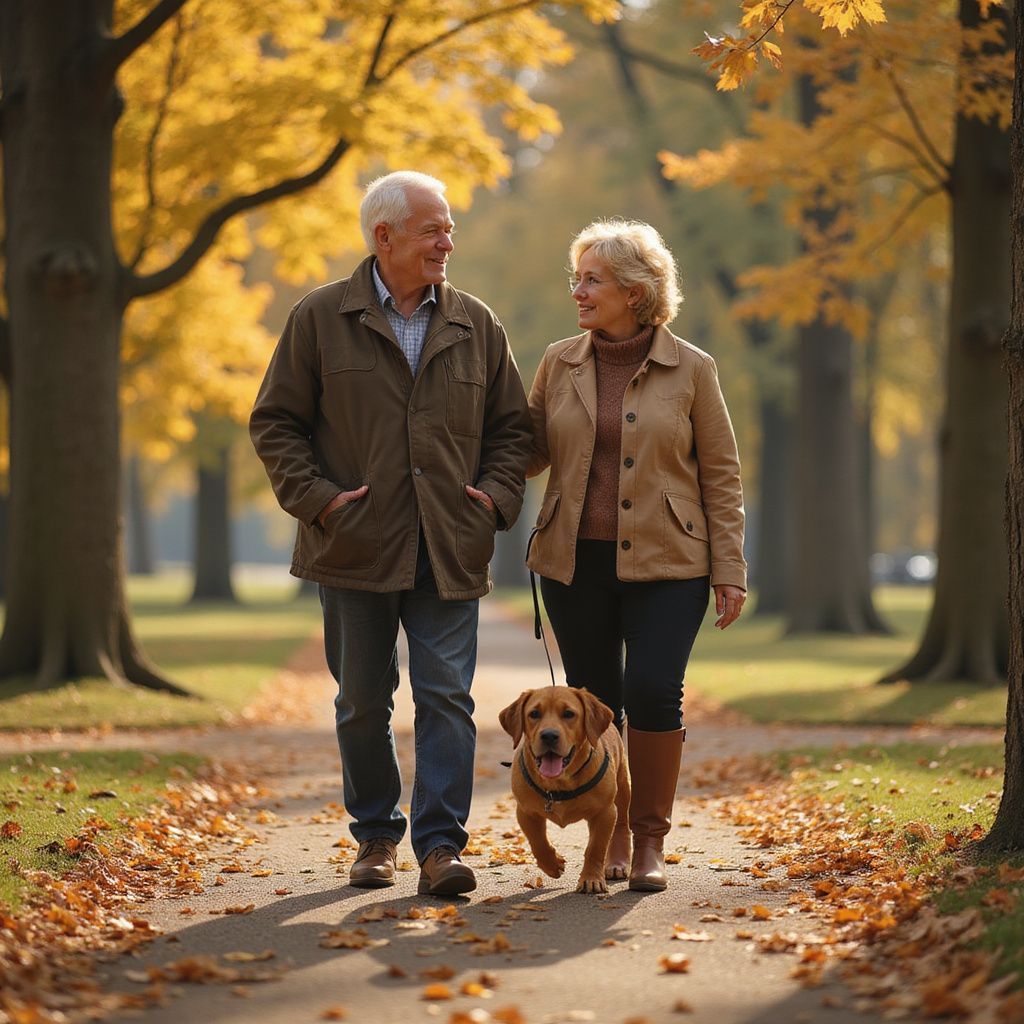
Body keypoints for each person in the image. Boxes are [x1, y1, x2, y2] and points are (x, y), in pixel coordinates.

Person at [250, 171, 532, 896]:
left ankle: (441, 848)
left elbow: (513, 432)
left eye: (449, 229)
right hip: (352, 546)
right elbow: (274, 421)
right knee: (362, 701)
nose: (447, 241)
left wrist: (494, 501)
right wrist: (319, 501)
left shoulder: (477, 322)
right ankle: (376, 836)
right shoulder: (318, 318)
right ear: (384, 237)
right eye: (433, 229)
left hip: (450, 544)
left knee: (446, 697)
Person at [526, 219, 746, 893]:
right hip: (574, 565)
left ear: (636, 291)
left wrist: (730, 569)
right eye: (578, 279)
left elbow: (721, 473)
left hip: (671, 564)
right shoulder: (557, 362)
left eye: (592, 280)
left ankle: (649, 838)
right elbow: (525, 450)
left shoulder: (694, 369)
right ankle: (612, 828)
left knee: (653, 690)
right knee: (597, 706)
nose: (580, 292)